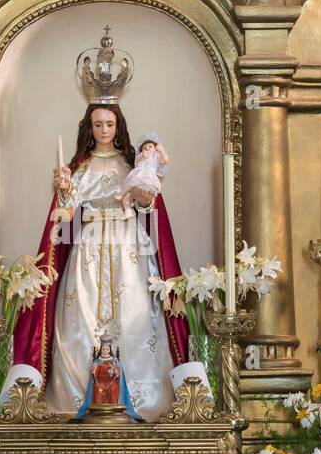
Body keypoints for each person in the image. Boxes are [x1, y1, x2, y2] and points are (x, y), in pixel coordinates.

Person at [12, 93, 189, 421]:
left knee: (135, 316)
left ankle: (143, 399)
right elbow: (66, 214)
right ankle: (75, 396)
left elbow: (148, 207)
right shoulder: (79, 167)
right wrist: (64, 189)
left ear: (117, 125)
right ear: (89, 128)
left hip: (128, 246)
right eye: (98, 124)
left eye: (109, 123)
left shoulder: (131, 163)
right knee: (81, 316)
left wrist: (142, 196)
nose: (104, 129)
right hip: (88, 248)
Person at [119, 133, 168, 212]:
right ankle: (124, 202)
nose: (147, 149)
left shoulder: (155, 158)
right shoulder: (141, 157)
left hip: (149, 176)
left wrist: (162, 151)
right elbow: (137, 163)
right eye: (145, 148)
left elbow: (164, 160)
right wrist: (142, 157)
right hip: (140, 174)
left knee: (147, 192)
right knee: (130, 187)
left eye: (150, 147)